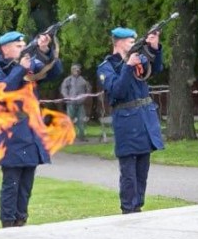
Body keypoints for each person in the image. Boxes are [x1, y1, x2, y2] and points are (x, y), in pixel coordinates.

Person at [0, 30, 63, 227]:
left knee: (26, 184)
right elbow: (1, 93)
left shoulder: (29, 64)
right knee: (11, 184)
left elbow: (54, 72)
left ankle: (21, 220)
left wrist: (45, 50)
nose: (22, 48)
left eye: (23, 45)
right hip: (11, 132)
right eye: (18, 46)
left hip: (30, 131)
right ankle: (8, 223)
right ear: (5, 48)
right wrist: (20, 69)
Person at [97, 27, 163, 214]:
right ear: (118, 42)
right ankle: (129, 209)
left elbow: (156, 68)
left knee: (143, 169)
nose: (133, 44)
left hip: (144, 120)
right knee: (129, 173)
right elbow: (117, 91)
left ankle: (138, 206)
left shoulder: (138, 59)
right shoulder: (106, 67)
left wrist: (155, 48)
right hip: (126, 122)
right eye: (129, 42)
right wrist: (127, 67)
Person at [60, 63, 92, 142]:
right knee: (69, 121)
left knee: (81, 120)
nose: (76, 71)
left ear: (79, 71)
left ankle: (82, 136)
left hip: (80, 104)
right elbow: (63, 89)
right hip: (71, 104)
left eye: (77, 70)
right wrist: (67, 97)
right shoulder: (68, 80)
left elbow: (88, 89)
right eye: (74, 70)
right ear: (71, 71)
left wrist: (84, 97)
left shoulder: (83, 80)